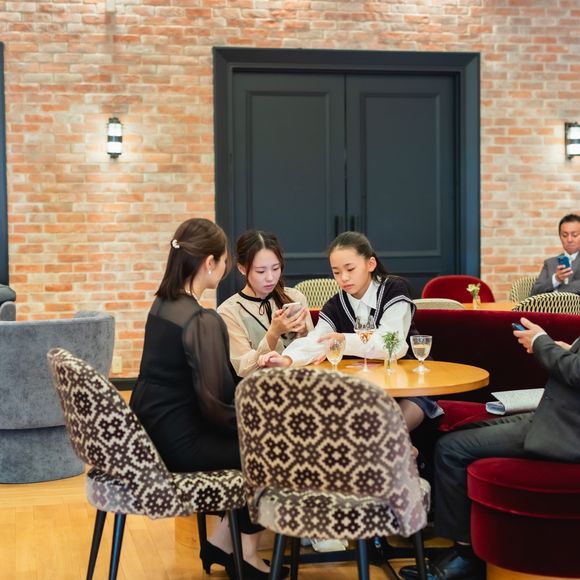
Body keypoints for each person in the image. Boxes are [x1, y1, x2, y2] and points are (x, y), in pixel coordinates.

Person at [129, 218, 282, 580]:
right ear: (209, 263)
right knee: (271, 451)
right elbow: (216, 404)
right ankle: (246, 555)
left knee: (255, 440)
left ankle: (220, 543)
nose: (226, 267)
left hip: (152, 438)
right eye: (225, 260)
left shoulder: (162, 306)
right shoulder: (202, 320)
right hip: (182, 446)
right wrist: (260, 426)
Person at [399, 317, 580, 580]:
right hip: (554, 414)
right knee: (456, 434)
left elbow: (576, 372)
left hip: (566, 429)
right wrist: (567, 349)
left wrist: (541, 343)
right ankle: (459, 544)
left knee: (450, 449)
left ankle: (465, 556)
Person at [259, 231, 442, 432]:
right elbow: (317, 340)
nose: (343, 278)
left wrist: (344, 341)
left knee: (388, 433)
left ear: (370, 264)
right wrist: (287, 359)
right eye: (336, 272)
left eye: (350, 269)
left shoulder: (394, 290)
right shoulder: (335, 305)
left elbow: (393, 344)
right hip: (363, 387)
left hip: (408, 381)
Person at [217, 229, 313, 378]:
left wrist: (304, 332)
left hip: (300, 381)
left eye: (275, 268)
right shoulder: (228, 311)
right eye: (261, 271)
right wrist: (273, 333)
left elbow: (313, 350)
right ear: (242, 268)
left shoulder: (295, 297)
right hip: (259, 387)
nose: (270, 278)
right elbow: (244, 368)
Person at [531, 213, 580, 296]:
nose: (569, 239)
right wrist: (556, 279)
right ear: (560, 237)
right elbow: (534, 293)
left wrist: (556, 292)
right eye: (564, 235)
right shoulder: (550, 263)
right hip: (551, 304)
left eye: (574, 235)